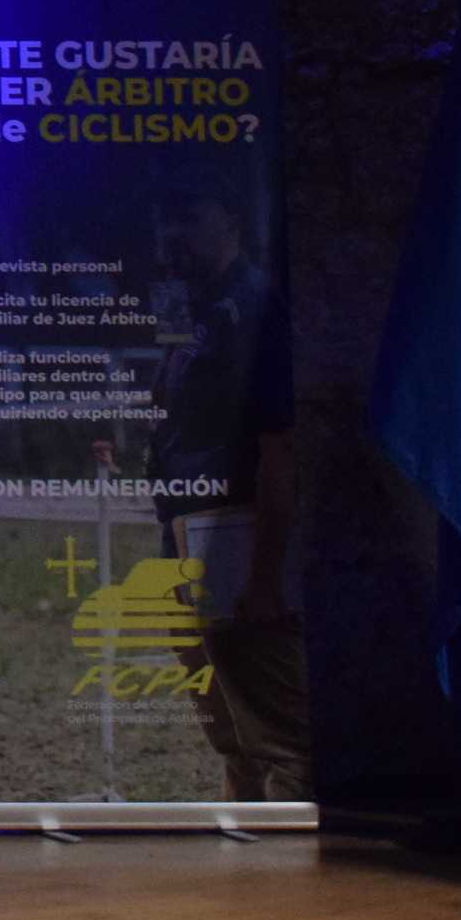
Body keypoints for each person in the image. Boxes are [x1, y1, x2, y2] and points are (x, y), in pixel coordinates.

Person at [146, 183, 310, 801]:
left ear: (234, 221)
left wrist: (265, 575)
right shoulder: (199, 307)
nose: (172, 237)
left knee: (279, 731)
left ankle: (294, 883)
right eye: (166, 223)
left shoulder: (255, 308)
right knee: (228, 726)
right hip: (185, 532)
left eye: (188, 216)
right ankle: (242, 862)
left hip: (236, 541)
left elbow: (279, 447)